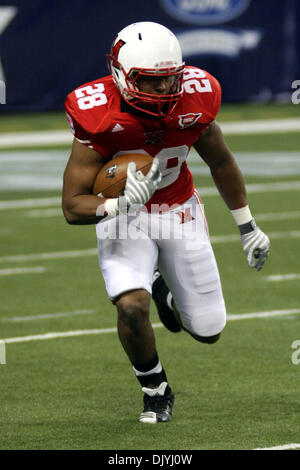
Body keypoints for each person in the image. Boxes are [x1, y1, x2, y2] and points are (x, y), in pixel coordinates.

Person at [62, 21, 270, 424]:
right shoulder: (97, 114)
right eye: (151, 82)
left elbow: (221, 160)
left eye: (169, 81)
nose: (163, 92)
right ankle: (155, 389)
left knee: (208, 331)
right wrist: (115, 207)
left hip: (178, 209)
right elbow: (72, 205)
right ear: (121, 75)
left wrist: (247, 225)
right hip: (124, 217)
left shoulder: (197, 97)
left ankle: (165, 291)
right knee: (130, 307)